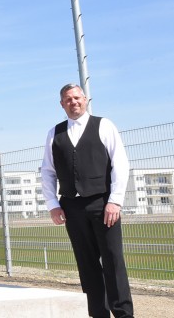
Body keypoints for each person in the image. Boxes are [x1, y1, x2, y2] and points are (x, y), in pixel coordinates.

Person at [41, 84, 134, 318]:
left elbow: (120, 164)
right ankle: (98, 313)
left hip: (103, 204)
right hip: (72, 206)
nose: (73, 102)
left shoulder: (104, 125)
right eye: (68, 99)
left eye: (77, 98)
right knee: (87, 263)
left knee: (113, 261)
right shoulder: (54, 133)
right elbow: (47, 172)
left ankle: (123, 313)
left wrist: (115, 200)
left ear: (85, 99)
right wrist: (53, 204)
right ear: (62, 104)